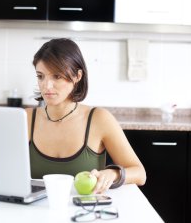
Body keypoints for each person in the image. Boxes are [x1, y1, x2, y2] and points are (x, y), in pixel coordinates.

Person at [26, 38, 146, 194]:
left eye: (57, 76)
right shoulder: (26, 119)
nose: (47, 86)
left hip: (83, 212)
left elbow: (139, 173)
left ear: (77, 76)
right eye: (41, 76)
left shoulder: (99, 119)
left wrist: (113, 173)